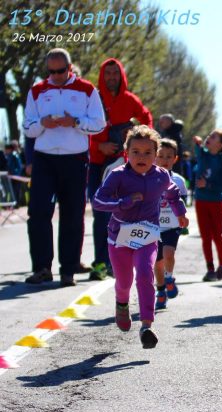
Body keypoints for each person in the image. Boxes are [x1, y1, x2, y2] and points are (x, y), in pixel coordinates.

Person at [93, 125, 188, 348]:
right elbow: (98, 201)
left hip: (148, 235)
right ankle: (122, 304)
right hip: (119, 237)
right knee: (124, 281)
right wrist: (122, 203)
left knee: (145, 275)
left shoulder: (161, 175)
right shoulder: (118, 175)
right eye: (136, 152)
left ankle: (147, 325)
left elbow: (173, 193)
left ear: (155, 155)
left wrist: (180, 213)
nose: (141, 157)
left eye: (147, 152)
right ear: (127, 153)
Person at [22, 48, 106, 286]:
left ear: (69, 68)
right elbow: (27, 127)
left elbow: (99, 124)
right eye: (52, 71)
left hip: (75, 159)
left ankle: (68, 270)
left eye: (60, 71)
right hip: (45, 159)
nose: (56, 76)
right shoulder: (37, 91)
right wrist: (42, 123)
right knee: (38, 213)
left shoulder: (86, 89)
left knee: (72, 214)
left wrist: (75, 122)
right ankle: (42, 268)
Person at [88, 58, 153, 281]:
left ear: (121, 75)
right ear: (102, 76)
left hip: (123, 166)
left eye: (115, 73)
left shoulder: (130, 100)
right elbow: (82, 131)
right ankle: (100, 262)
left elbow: (147, 121)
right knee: (100, 213)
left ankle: (121, 261)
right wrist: (99, 146)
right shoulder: (93, 99)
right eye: (108, 73)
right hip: (98, 165)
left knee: (125, 213)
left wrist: (137, 143)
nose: (112, 77)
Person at [153, 139, 188, 310]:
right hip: (153, 226)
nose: (164, 160)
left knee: (168, 253)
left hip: (172, 225)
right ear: (154, 157)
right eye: (161, 156)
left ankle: (169, 278)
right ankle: (161, 291)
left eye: (169, 156)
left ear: (175, 158)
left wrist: (183, 218)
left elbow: (183, 202)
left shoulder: (178, 180)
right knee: (157, 261)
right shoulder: (148, 178)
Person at [193, 130, 222, 281]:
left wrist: (207, 185)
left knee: (217, 235)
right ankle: (210, 268)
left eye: (213, 137)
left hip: (215, 202)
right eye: (209, 135)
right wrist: (197, 141)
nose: (208, 137)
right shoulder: (203, 155)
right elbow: (198, 147)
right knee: (205, 236)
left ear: (220, 145)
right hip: (200, 201)